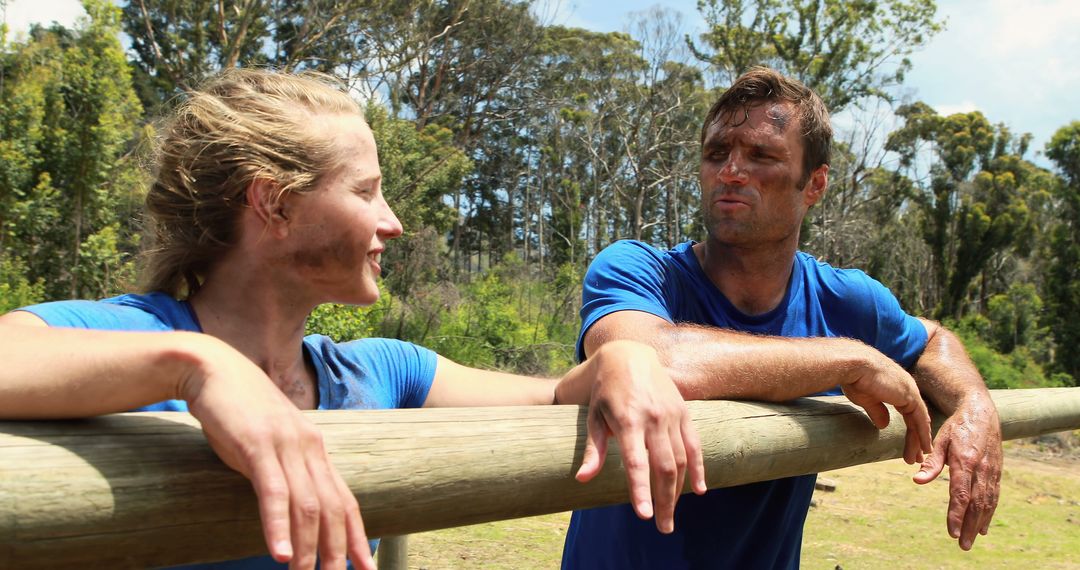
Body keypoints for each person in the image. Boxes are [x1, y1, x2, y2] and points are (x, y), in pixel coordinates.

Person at [0, 68, 706, 570]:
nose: (392, 222)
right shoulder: (136, 339)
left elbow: (557, 394)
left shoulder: (380, 369)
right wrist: (199, 366)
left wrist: (627, 358)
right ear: (272, 204)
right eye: (366, 190)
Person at [561, 67, 1001, 569]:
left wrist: (975, 403)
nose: (730, 171)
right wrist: (847, 359)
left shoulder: (842, 301)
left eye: (761, 155)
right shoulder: (639, 271)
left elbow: (932, 339)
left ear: (814, 183)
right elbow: (651, 359)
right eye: (716, 153)